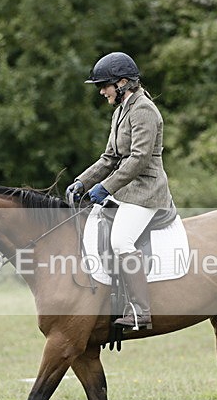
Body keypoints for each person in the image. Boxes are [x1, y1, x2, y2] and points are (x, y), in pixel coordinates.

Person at [65, 52, 174, 330]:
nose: (102, 91)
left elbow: (138, 159)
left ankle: (140, 311)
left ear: (123, 83)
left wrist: (106, 187)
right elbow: (109, 158)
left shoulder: (144, 110)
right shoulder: (120, 111)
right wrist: (83, 182)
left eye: (105, 85)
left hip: (146, 191)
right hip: (126, 190)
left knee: (121, 241)